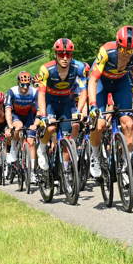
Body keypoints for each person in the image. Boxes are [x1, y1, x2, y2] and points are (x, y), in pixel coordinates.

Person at [87, 27, 133, 179]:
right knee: (99, 124)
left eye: (130, 50)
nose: (127, 54)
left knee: (129, 124)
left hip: (121, 84)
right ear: (118, 45)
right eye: (124, 50)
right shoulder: (106, 51)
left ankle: (127, 164)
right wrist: (93, 104)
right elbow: (93, 80)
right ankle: (95, 156)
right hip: (102, 83)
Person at [38, 38, 90, 173]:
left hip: (66, 103)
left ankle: (66, 171)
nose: (65, 57)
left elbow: (84, 91)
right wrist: (43, 116)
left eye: (68, 54)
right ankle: (42, 149)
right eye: (61, 54)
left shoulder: (79, 68)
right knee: (51, 128)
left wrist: (79, 110)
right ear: (56, 54)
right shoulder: (46, 69)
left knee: (67, 138)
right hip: (50, 103)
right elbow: (41, 95)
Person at [5, 71, 40, 179]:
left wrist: (35, 124)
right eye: (22, 85)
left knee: (31, 142)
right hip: (16, 115)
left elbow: (39, 111)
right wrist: (10, 124)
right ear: (18, 83)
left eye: (27, 84)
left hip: (28, 116)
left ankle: (33, 171)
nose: (25, 87)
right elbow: (8, 110)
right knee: (18, 127)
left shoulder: (34, 92)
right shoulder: (12, 91)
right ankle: (13, 150)